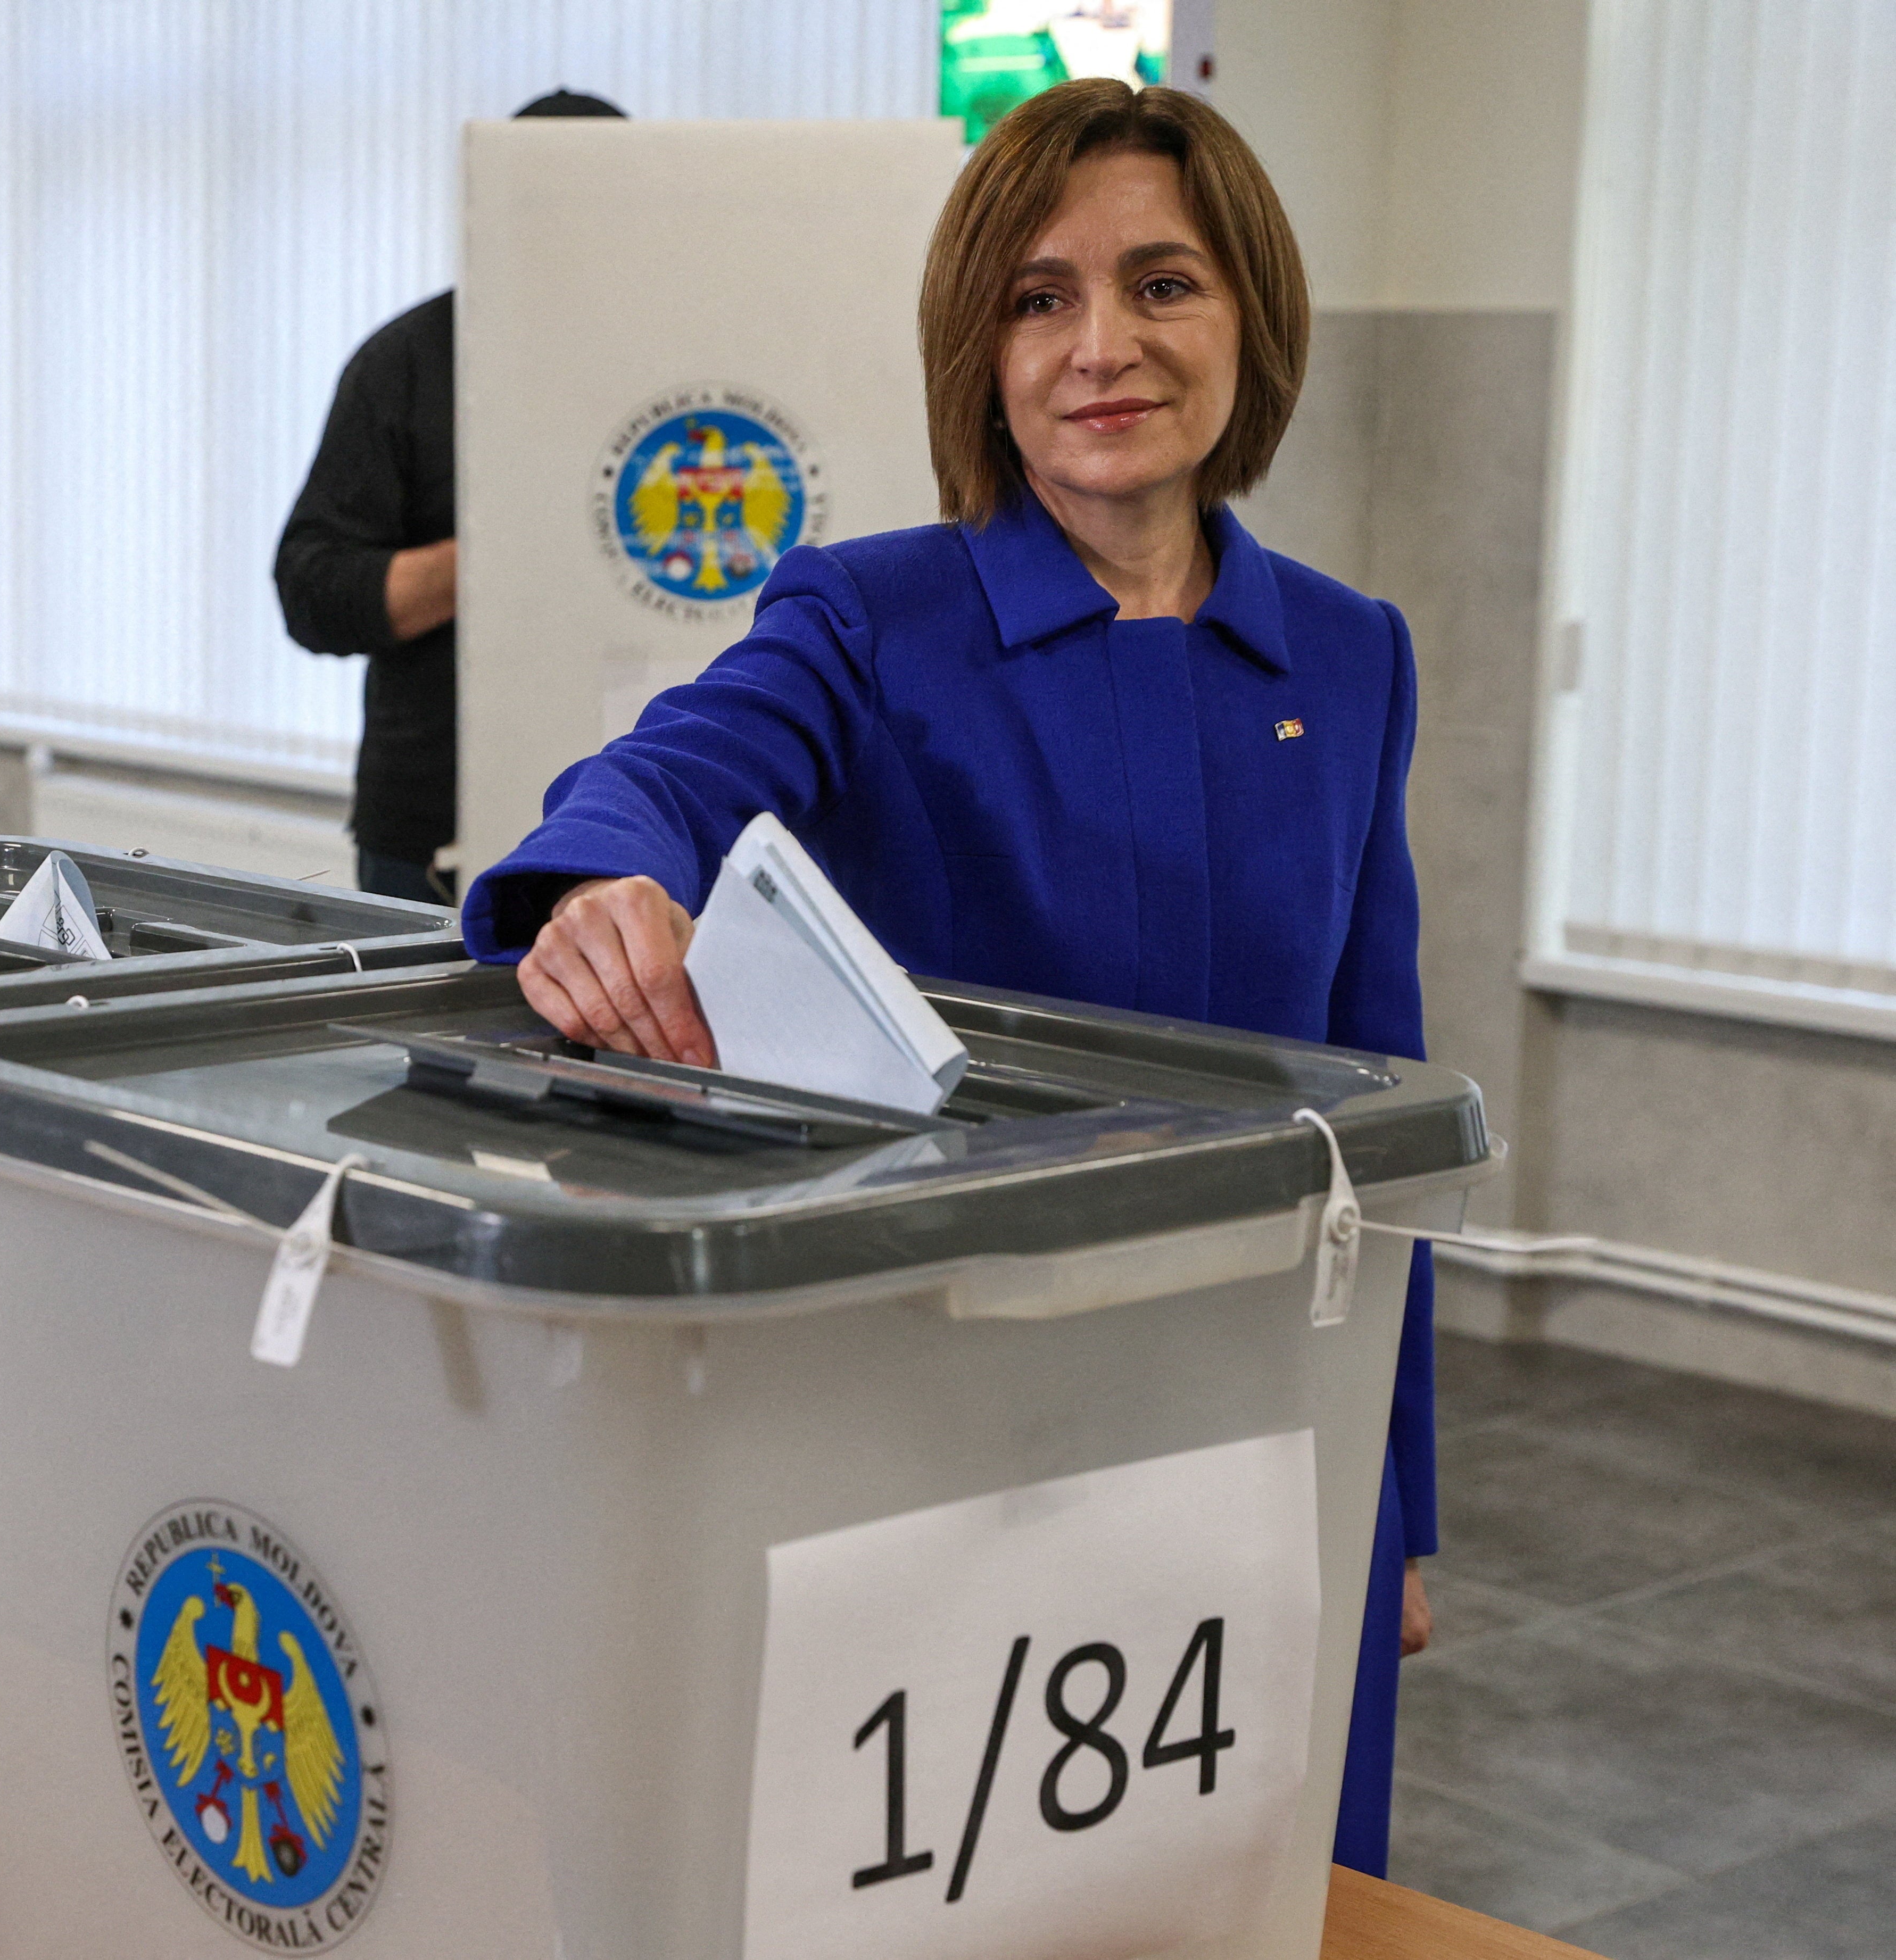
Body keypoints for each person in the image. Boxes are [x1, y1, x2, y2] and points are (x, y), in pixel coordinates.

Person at [459, 78, 1437, 1876]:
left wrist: (1406, 1495)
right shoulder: (866, 613)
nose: (1101, 346)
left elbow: (1383, 1108)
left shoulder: (1350, 659)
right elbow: (671, 769)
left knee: (1255, 1883)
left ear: (1250, 318)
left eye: (1163, 284)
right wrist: (606, 877)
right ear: (976, 349)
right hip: (961, 1426)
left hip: (1266, 1412)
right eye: (1037, 297)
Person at [275, 89, 628, 905]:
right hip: (432, 827)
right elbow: (311, 590)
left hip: (633, 805)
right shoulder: (409, 362)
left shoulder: (682, 358)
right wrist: (503, 553)